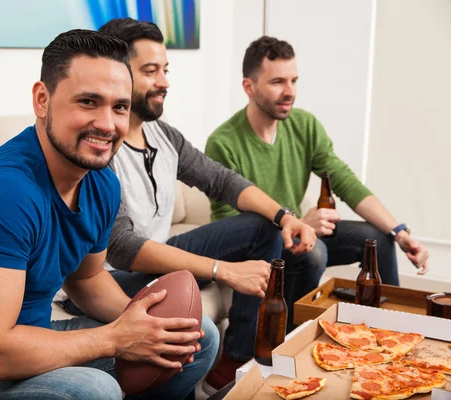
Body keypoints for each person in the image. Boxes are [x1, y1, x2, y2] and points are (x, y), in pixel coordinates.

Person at [0, 29, 219, 400]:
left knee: (195, 337)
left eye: (119, 107)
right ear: (42, 100)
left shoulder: (102, 182)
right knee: (94, 390)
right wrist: (115, 338)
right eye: (88, 102)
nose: (107, 124)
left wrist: (144, 327)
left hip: (34, 344)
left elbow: (87, 278)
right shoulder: (2, 192)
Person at [59, 18, 316, 394]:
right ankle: (230, 364)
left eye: (165, 69)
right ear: (117, 74)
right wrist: (222, 270)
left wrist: (286, 216)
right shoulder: (100, 145)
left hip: (159, 261)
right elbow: (124, 247)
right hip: (113, 275)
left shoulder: (163, 136)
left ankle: (238, 358)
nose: (164, 80)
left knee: (265, 224)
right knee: (252, 237)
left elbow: (223, 181)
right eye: (151, 70)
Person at [205, 36, 430, 334]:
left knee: (376, 240)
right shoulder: (223, 142)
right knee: (315, 253)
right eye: (277, 82)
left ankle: (387, 334)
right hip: (261, 246)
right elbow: (227, 226)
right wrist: (297, 223)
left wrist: (399, 232)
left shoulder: (305, 126)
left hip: (298, 232)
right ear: (249, 87)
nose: (290, 92)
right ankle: (295, 336)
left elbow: (345, 182)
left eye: (294, 80)